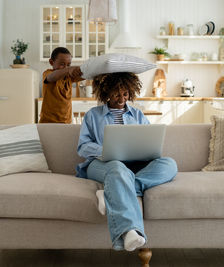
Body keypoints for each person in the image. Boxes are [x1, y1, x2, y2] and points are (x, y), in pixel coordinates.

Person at [76, 72, 178, 251]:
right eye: (116, 94)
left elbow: (148, 140)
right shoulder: (93, 115)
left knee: (169, 164)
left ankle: (109, 194)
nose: (121, 98)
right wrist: (106, 150)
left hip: (134, 165)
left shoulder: (137, 114)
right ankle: (130, 231)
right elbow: (82, 147)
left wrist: (146, 150)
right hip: (102, 165)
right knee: (117, 168)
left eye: (125, 94)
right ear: (107, 93)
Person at [39, 47, 84, 123]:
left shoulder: (69, 77)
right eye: (62, 64)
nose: (66, 67)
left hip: (66, 123)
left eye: (68, 64)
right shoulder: (48, 73)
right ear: (51, 62)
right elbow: (51, 77)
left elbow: (85, 74)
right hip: (48, 123)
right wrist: (69, 69)